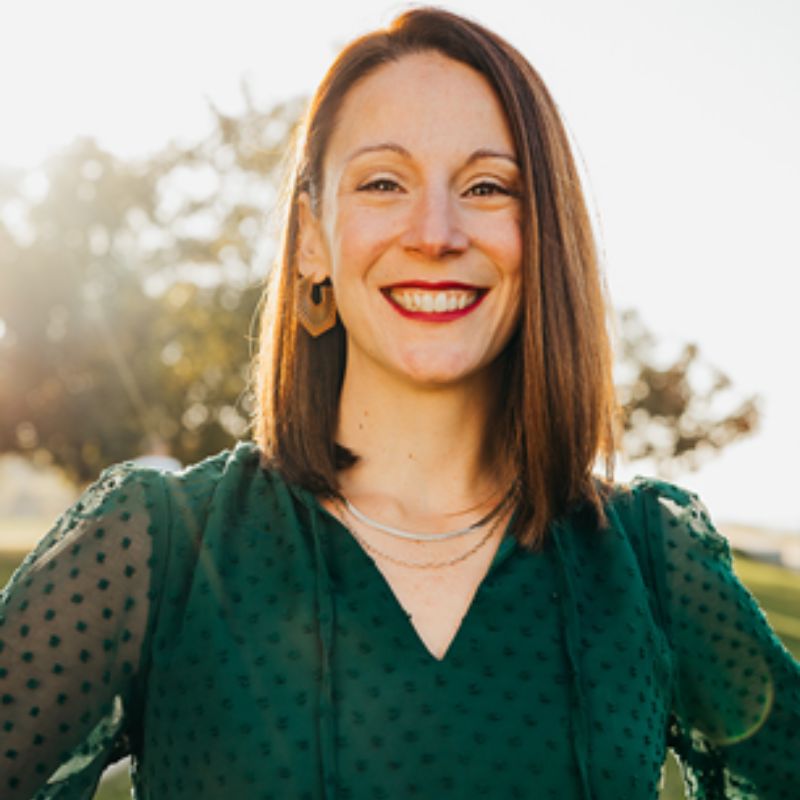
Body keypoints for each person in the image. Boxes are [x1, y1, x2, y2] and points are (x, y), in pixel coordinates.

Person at [1, 7, 798, 799]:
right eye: (384, 182)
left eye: (488, 186)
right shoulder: (158, 547)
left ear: (544, 233)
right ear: (312, 235)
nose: (436, 232)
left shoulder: (652, 564)